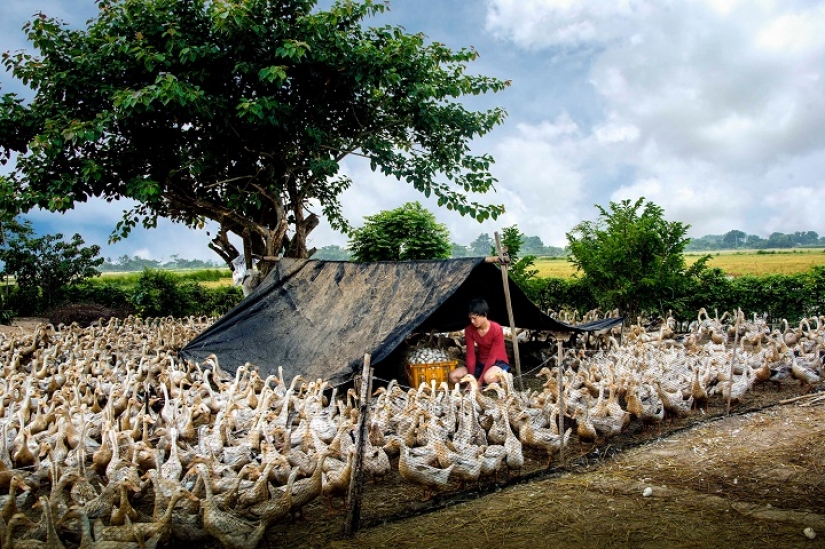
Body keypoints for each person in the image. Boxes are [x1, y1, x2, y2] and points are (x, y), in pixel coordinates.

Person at [448, 298, 510, 386]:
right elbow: (471, 355)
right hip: (480, 363)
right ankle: (480, 380)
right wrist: (471, 378)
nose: (472, 321)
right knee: (452, 376)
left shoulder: (497, 329)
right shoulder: (469, 330)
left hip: (498, 362)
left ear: (484, 314)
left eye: (474, 318)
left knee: (488, 378)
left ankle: (499, 379)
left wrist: (479, 382)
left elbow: (492, 357)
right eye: (470, 318)